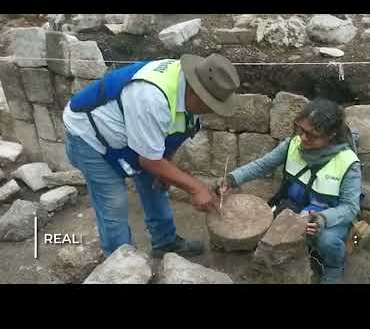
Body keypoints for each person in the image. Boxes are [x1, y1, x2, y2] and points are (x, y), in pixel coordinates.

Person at [63, 53, 240, 258]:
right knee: (114, 203)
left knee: (157, 185)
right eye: (209, 105)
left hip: (132, 132)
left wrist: (167, 168)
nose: (211, 111)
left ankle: (165, 243)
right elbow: (149, 160)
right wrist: (196, 187)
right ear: (195, 92)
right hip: (90, 135)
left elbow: (174, 133)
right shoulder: (152, 97)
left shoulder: (190, 89)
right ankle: (121, 266)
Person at [218, 98, 362, 284]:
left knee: (325, 240)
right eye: (300, 130)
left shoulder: (348, 163)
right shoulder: (292, 145)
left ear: (331, 135)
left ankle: (334, 266)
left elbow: (350, 208)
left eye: (311, 134)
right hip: (290, 208)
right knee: (257, 223)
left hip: (326, 218)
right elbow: (262, 166)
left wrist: (322, 219)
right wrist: (231, 179)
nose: (302, 138)